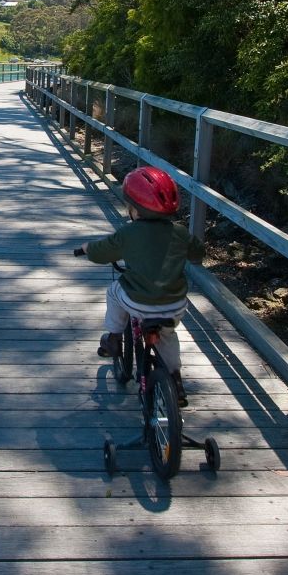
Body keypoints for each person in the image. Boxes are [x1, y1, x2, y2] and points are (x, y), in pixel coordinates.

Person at [79, 166, 204, 406]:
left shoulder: (129, 233)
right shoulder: (179, 232)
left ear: (135, 209)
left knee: (114, 293)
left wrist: (87, 249)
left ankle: (114, 337)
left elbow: (102, 252)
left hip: (139, 303)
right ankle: (176, 381)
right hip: (174, 305)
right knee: (167, 334)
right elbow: (198, 252)